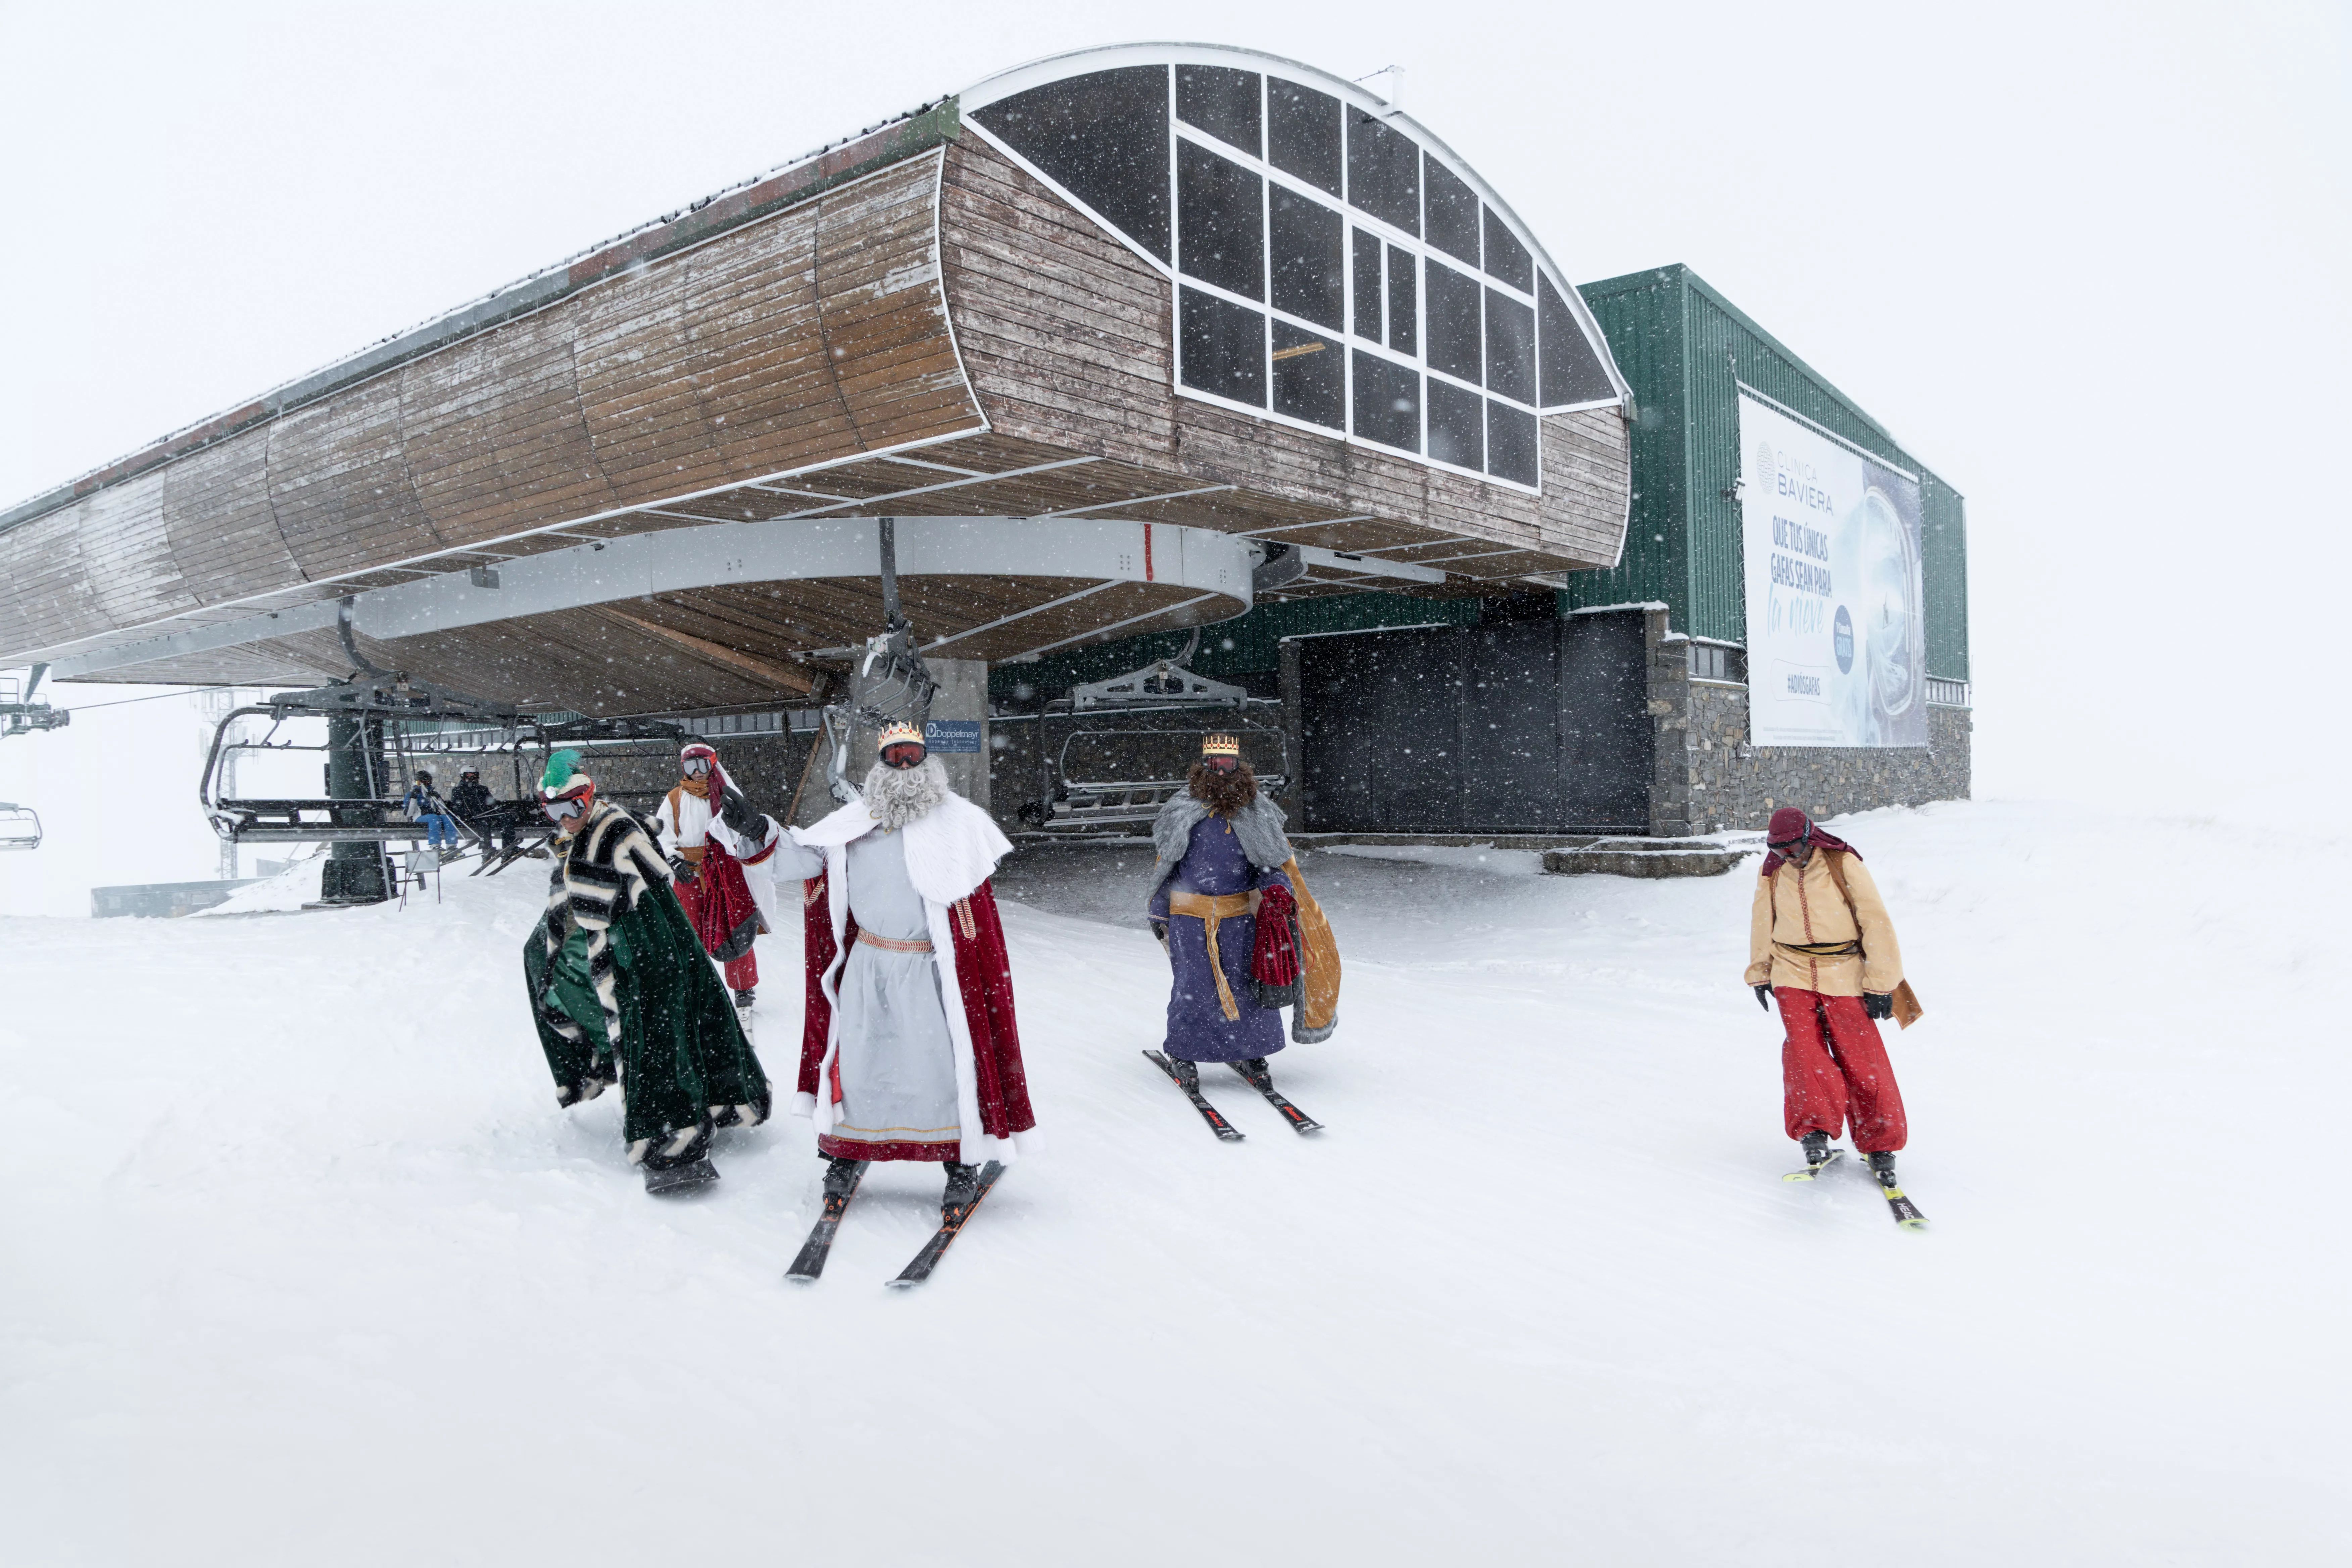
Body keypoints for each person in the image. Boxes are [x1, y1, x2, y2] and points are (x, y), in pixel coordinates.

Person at [771, 720, 1037, 1213]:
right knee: (860, 1065)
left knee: (943, 1068)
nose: (905, 765)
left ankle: (960, 1161)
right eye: (894, 756)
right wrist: (758, 832)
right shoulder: (855, 821)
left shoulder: (961, 822)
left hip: (932, 969)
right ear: (879, 764)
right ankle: (846, 1153)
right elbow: (803, 860)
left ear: (928, 758)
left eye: (913, 754)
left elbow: (974, 909)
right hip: (869, 964)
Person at [523, 749, 771, 1193]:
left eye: (573, 807)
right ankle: (682, 1095)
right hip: (622, 947)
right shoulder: (587, 832)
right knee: (548, 967)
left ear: (589, 797)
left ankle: (674, 1133)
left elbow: (638, 903)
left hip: (647, 949)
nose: (566, 819)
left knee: (659, 1028)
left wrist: (635, 959)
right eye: (554, 811)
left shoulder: (615, 832)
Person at [1144, 734, 1341, 1099]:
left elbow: (1270, 863)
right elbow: (1168, 865)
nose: (1221, 772)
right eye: (1214, 764)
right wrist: (1159, 911)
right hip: (1190, 918)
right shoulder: (1181, 808)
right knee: (1193, 987)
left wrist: (1278, 887)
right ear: (1203, 767)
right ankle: (1183, 1052)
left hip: (1241, 920)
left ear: (1240, 767)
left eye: (1228, 765)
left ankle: (1251, 1051)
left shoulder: (1257, 811)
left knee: (1248, 987)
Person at [1744, 807, 1923, 1191]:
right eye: (1779, 850)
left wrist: (1881, 983)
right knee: (1803, 1052)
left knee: (1861, 1057)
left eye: (1794, 849)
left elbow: (1875, 920)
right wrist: (1760, 971)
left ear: (1809, 838)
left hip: (1844, 969)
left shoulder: (1843, 862)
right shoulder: (1774, 871)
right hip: (1791, 969)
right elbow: (1762, 918)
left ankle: (1880, 1143)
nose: (1789, 857)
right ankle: (1815, 1132)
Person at [653, 742, 783, 1017]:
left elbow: (741, 832)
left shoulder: (727, 795)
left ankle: (743, 987)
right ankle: (694, 986)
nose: (697, 772)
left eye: (702, 765)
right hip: (689, 874)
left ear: (713, 764)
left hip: (724, 873)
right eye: (691, 766)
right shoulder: (675, 798)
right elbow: (662, 833)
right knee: (688, 932)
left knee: (733, 927)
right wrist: (673, 859)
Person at [447, 767, 520, 853]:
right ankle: (487, 849)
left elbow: (492, 803)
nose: (472, 778)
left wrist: (500, 809)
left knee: (507, 818)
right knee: (484, 823)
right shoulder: (458, 790)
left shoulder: (483, 789)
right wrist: (465, 816)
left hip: (487, 814)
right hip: (474, 817)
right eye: (469, 775)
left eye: (475, 775)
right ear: (463, 776)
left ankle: (509, 847)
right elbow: (457, 806)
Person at [403, 770, 460, 860]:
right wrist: (414, 798)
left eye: (428, 782)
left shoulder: (431, 794)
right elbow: (408, 814)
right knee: (434, 818)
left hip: (434, 817)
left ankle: (451, 846)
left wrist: (437, 798)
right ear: (417, 783)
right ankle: (435, 845)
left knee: (448, 818)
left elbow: (444, 810)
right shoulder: (411, 795)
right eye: (422, 782)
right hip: (419, 818)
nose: (425, 785)